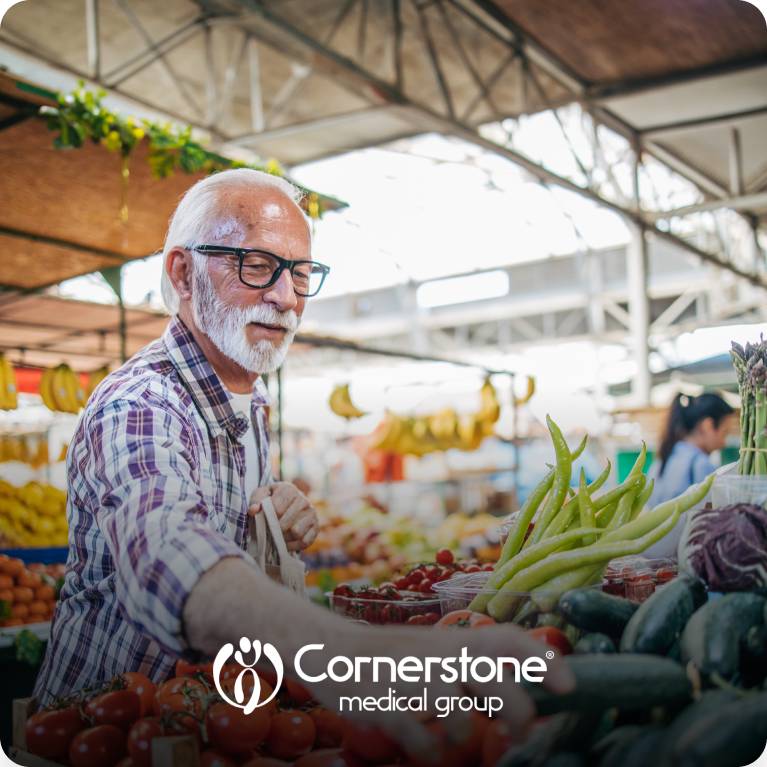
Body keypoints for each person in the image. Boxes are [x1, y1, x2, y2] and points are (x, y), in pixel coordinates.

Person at [33, 169, 571, 752]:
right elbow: (162, 546)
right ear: (183, 273)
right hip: (98, 732)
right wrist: (346, 654)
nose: (287, 298)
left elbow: (210, 532)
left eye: (301, 273)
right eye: (257, 266)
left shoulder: (251, 400)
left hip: (206, 723)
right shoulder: (138, 404)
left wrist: (272, 519)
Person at [644, 392, 734, 558]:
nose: (725, 442)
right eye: (725, 432)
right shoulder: (701, 464)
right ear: (707, 426)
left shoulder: (662, 459)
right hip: (680, 559)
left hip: (652, 557)